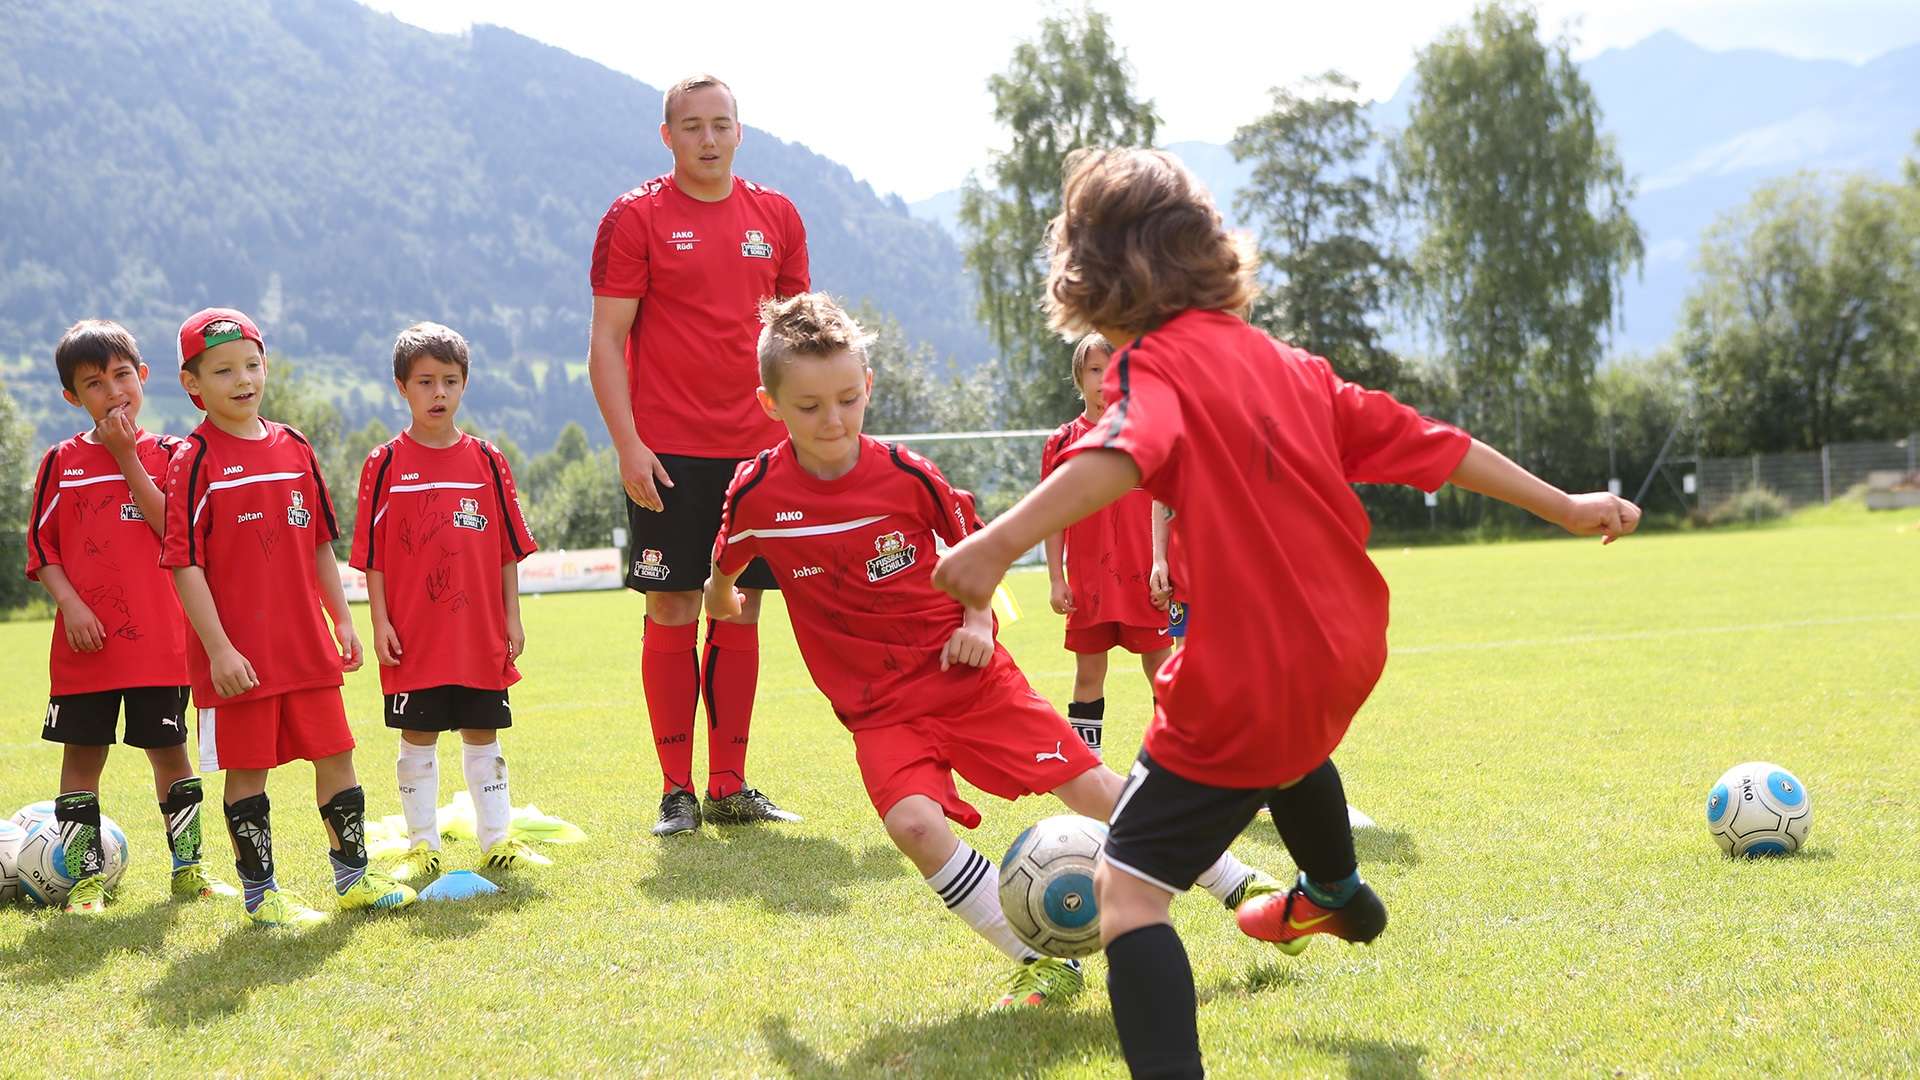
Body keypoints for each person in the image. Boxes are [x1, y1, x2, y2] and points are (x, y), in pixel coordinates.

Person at [932, 148, 1641, 1077]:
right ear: (1210, 250)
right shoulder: (1289, 364)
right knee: (1288, 748)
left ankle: (1308, 917)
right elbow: (1435, 444)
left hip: (1243, 672)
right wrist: (1570, 506)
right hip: (1341, 648)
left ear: (1088, 271)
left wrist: (994, 546)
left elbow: (1121, 455)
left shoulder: (1156, 370)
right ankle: (1337, 893)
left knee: (1128, 896)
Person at [705, 292, 1284, 1009]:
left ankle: (1239, 883)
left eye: (848, 400)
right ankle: (1041, 960)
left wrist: (978, 622)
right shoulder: (757, 491)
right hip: (876, 707)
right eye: (809, 406)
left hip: (964, 675)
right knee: (914, 826)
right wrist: (717, 598)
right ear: (770, 405)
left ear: (868, 389)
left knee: (1091, 786)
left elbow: (978, 549)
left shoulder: (908, 476)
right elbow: (729, 558)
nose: (833, 421)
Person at [588, 73, 809, 836]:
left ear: (739, 131)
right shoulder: (635, 215)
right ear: (668, 136)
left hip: (759, 453)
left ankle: (730, 783)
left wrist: (804, 438)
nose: (707, 139)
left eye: (720, 124)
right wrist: (628, 445)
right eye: (691, 126)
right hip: (669, 453)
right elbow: (607, 344)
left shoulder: (776, 216)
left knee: (741, 606)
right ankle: (675, 789)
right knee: (674, 602)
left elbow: (798, 342)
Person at [163, 307, 416, 926]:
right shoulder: (192, 461)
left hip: (307, 647)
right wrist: (220, 650)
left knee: (338, 755)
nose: (242, 379)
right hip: (239, 660)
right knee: (248, 774)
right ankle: (263, 897)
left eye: (251, 364)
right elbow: (183, 566)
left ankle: (353, 878)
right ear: (193, 384)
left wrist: (344, 620)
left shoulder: (294, 445)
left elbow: (317, 544)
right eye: (223, 370)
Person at [24, 319, 236, 913]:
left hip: (162, 646)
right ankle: (85, 879)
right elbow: (44, 553)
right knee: (82, 758)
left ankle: (189, 869)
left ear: (143, 377)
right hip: (85, 649)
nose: (112, 391)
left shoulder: (172, 454)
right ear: (73, 396)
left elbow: (175, 527)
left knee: (171, 756)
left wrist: (126, 457)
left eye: (122, 375)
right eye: (95, 383)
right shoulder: (58, 463)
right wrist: (72, 606)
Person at [350, 323, 544, 883]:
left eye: (450, 381)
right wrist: (380, 620)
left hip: (479, 630)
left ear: (464, 386)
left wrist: (512, 615)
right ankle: (422, 845)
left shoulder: (487, 460)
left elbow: (507, 548)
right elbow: (372, 557)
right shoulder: (384, 464)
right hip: (414, 633)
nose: (438, 393)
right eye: (425, 382)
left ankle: (496, 839)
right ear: (401, 388)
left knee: (485, 735)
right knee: (419, 738)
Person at [1041, 331, 1173, 760]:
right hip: (1090, 583)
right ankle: (1087, 765)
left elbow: (1164, 502)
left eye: (1114, 370)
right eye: (1095, 369)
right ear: (1079, 376)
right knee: (1088, 674)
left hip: (1144, 578)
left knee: (1162, 671)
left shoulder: (1146, 434)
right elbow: (1051, 514)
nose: (1104, 380)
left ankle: (1173, 764)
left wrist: (1161, 562)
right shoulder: (1062, 442)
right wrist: (1056, 579)